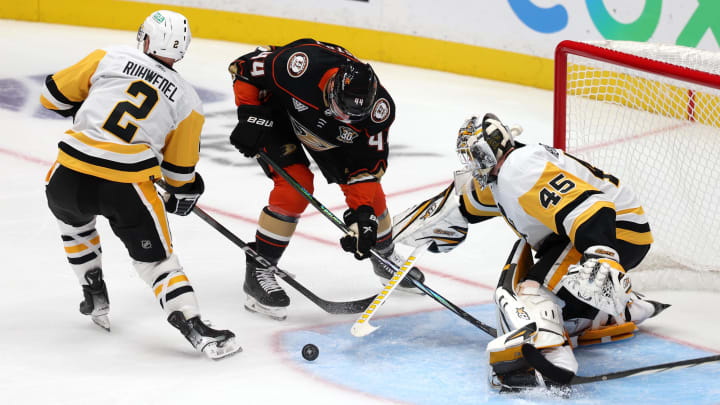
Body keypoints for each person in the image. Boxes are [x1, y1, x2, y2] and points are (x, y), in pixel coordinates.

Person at [392, 113, 669, 390]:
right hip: (592, 233)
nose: (472, 164)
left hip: (617, 231)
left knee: (532, 294)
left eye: (475, 155)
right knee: (537, 291)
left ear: (491, 149)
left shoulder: (521, 169)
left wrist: (600, 255)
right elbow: (455, 205)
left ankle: (553, 359)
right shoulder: (502, 175)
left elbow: (595, 208)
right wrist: (387, 235)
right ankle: (611, 311)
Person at [41, 10, 240, 360]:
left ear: (145, 39)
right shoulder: (189, 101)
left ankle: (94, 293)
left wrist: (87, 107)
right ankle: (194, 325)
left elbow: (51, 97)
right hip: (125, 186)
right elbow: (179, 176)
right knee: (158, 263)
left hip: (67, 174)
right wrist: (188, 189)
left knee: (73, 227)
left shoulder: (110, 57)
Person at [227, 38, 425, 321]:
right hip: (279, 114)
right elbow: (242, 68)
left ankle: (384, 256)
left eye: (352, 115)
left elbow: (365, 171)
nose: (345, 117)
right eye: (341, 108)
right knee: (296, 187)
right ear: (333, 87)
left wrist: (363, 216)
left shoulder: (380, 111)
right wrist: (249, 116)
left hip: (330, 139)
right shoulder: (300, 66)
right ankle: (260, 267)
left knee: (373, 198)